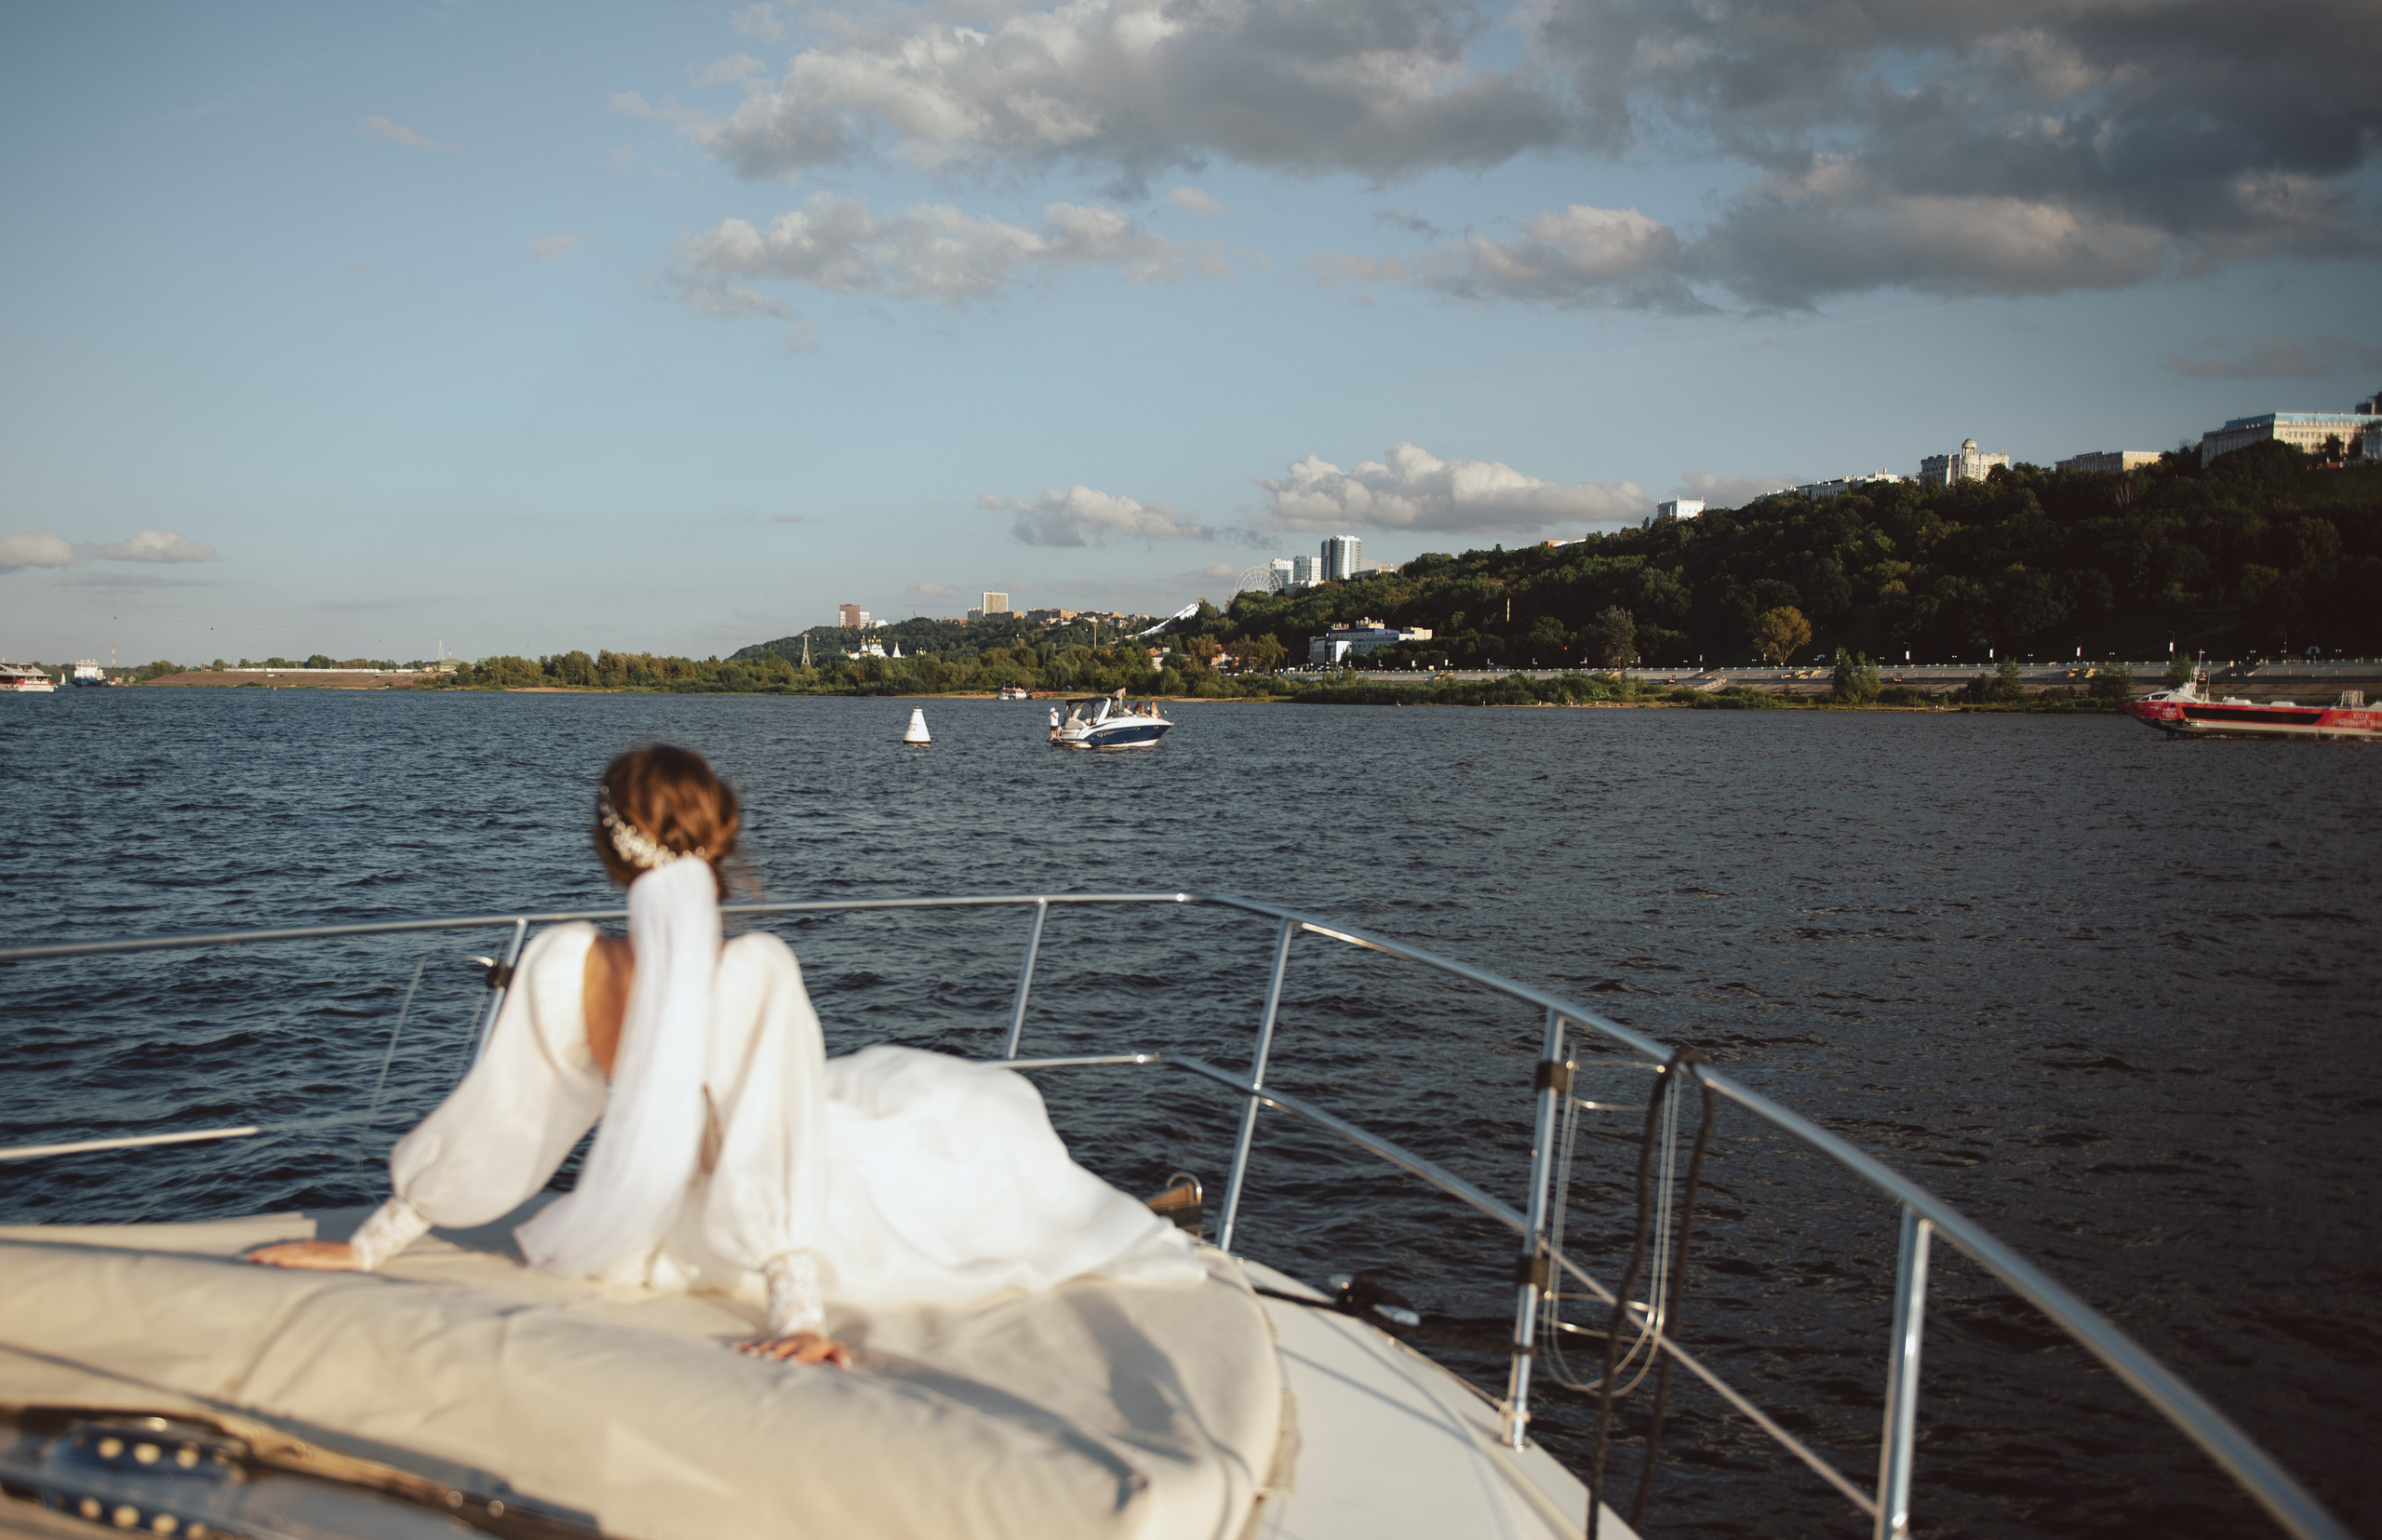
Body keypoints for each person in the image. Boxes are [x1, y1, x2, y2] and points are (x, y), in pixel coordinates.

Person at [251, 744, 1202, 1365]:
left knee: (957, 1120)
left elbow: (504, 1121)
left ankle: (1139, 1205)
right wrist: (794, 1309)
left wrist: (369, 1245)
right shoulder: (756, 973)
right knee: (972, 1124)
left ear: (609, 848)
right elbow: (774, 1143)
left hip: (683, 1227)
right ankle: (1160, 1200)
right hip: (778, 1213)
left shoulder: (561, 964)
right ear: (717, 844)